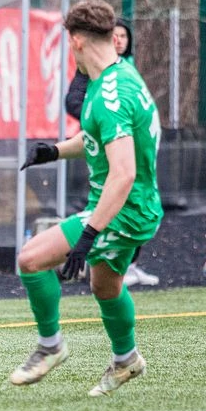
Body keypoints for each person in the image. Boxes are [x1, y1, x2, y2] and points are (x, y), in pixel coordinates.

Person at [14, 0, 163, 396]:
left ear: (76, 41)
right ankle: (127, 359)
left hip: (123, 210)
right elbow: (99, 137)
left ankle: (50, 346)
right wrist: (54, 151)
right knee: (106, 287)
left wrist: (88, 234)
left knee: (30, 259)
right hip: (133, 206)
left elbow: (123, 173)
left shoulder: (111, 95)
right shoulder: (118, 76)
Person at [61, 16, 158, 289]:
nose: (119, 41)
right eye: (115, 35)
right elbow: (74, 102)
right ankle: (108, 262)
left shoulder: (124, 76)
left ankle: (127, 266)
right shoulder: (93, 73)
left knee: (31, 260)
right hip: (100, 157)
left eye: (124, 36)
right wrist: (98, 121)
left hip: (132, 179)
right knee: (32, 260)